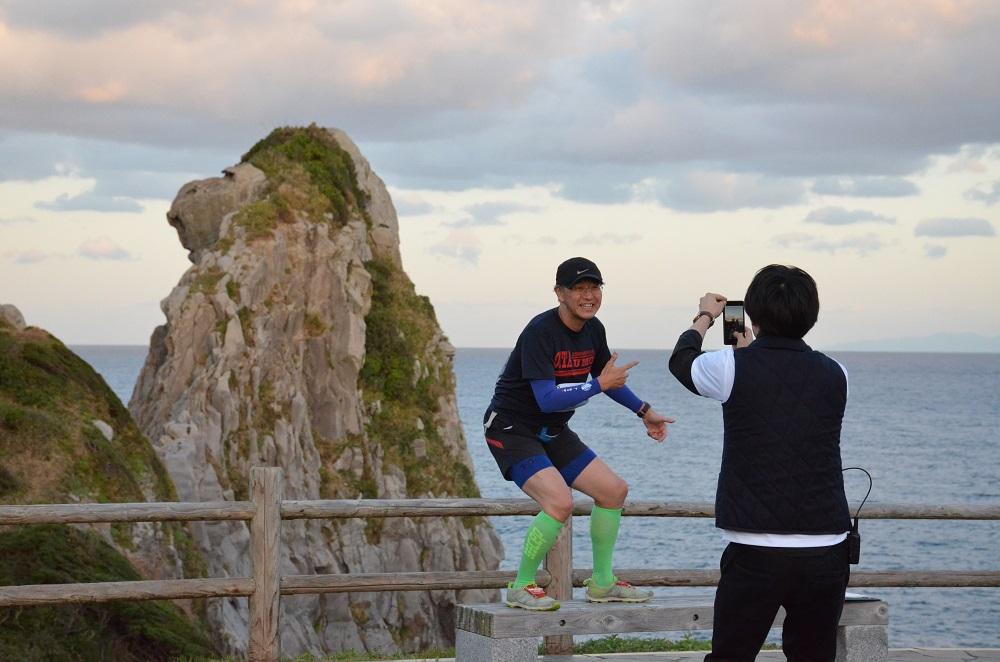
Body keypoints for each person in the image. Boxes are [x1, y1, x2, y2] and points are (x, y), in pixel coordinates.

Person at [668, 265, 852, 662]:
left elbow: (682, 361)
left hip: (754, 546)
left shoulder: (730, 366)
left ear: (753, 314)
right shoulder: (837, 373)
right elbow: (784, 386)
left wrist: (704, 316)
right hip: (826, 545)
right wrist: (752, 351)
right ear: (811, 315)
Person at [484, 256, 674, 611]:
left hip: (552, 429)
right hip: (511, 428)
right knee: (559, 502)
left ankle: (602, 583)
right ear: (560, 293)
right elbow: (548, 396)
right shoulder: (540, 332)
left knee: (613, 490)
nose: (589, 295)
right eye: (579, 288)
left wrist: (645, 412)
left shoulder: (593, 329)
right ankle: (521, 585)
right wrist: (599, 384)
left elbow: (608, 380)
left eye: (595, 287)